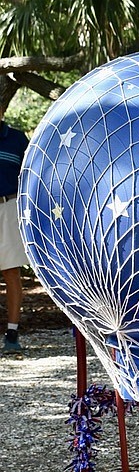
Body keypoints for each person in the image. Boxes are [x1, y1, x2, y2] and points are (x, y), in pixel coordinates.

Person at [0, 118, 29, 354]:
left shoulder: (17, 140)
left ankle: (12, 334)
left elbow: (29, 177)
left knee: (11, 272)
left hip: (8, 206)